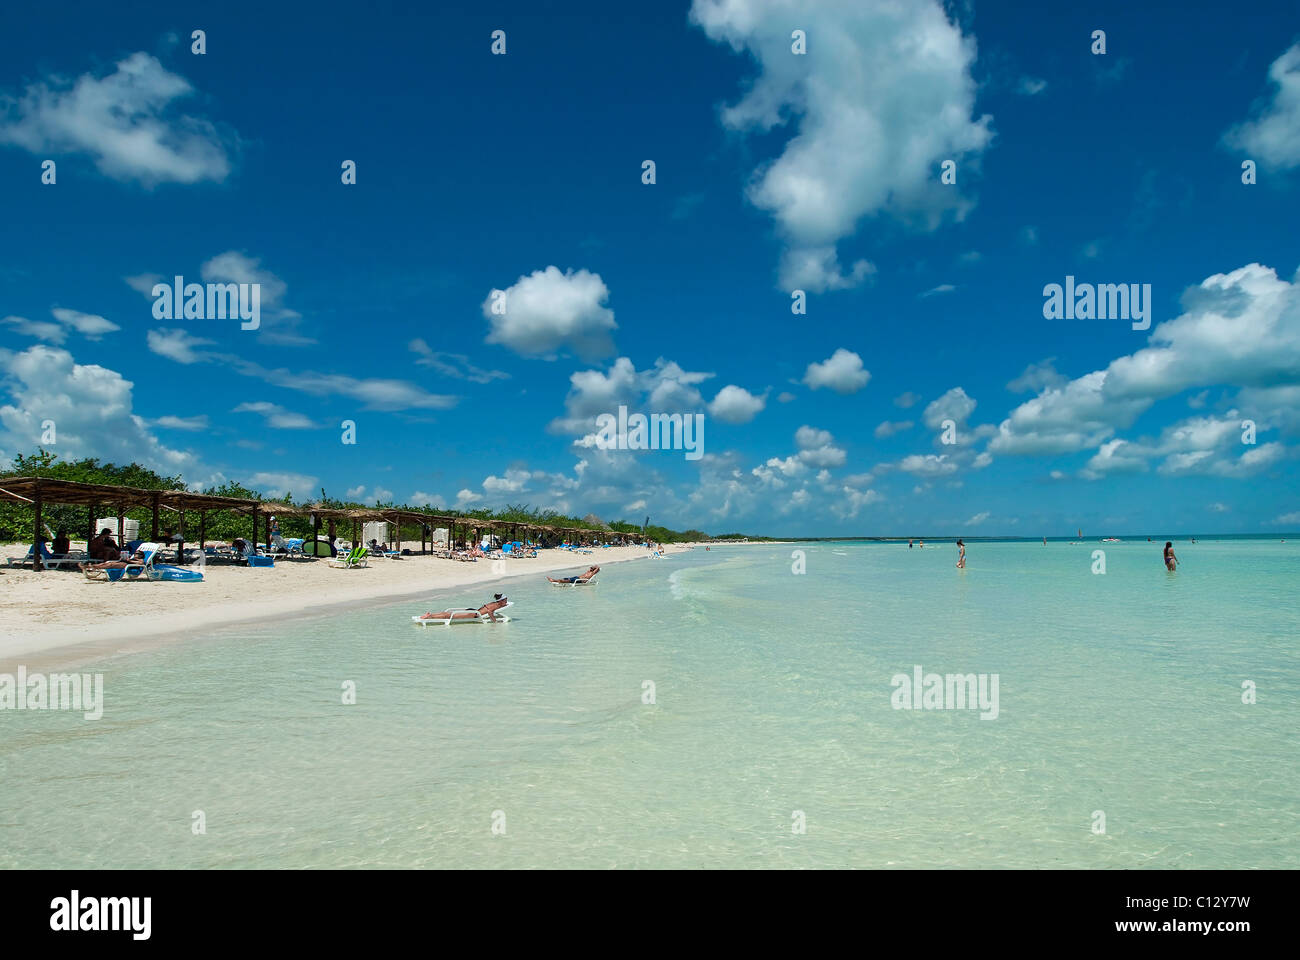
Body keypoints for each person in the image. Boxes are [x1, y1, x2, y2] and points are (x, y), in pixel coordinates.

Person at [419, 594, 510, 622]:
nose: (506, 602)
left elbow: (489, 608)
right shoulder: (496, 605)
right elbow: (490, 612)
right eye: (505, 600)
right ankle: (430, 617)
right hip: (473, 615)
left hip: (473, 611)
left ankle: (431, 615)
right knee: (448, 616)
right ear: (501, 601)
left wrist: (504, 605)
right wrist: (494, 621)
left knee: (448, 614)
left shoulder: (495, 603)